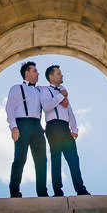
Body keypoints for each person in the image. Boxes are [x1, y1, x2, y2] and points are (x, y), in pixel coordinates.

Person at [40, 64, 90, 196]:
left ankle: (81, 189)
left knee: (74, 159)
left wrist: (74, 128)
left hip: (65, 128)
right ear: (51, 77)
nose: (62, 75)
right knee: (56, 160)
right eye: (58, 73)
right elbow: (46, 107)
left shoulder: (63, 90)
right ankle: (57, 191)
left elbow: (69, 110)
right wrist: (60, 97)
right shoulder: (45, 91)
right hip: (53, 126)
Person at [4, 60, 49, 197]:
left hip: (37, 126)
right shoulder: (16, 88)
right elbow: (10, 108)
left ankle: (42, 192)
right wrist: (13, 127)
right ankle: (14, 191)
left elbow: (54, 92)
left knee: (41, 160)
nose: (38, 73)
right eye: (35, 70)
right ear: (26, 73)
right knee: (19, 159)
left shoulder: (40, 90)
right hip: (22, 125)